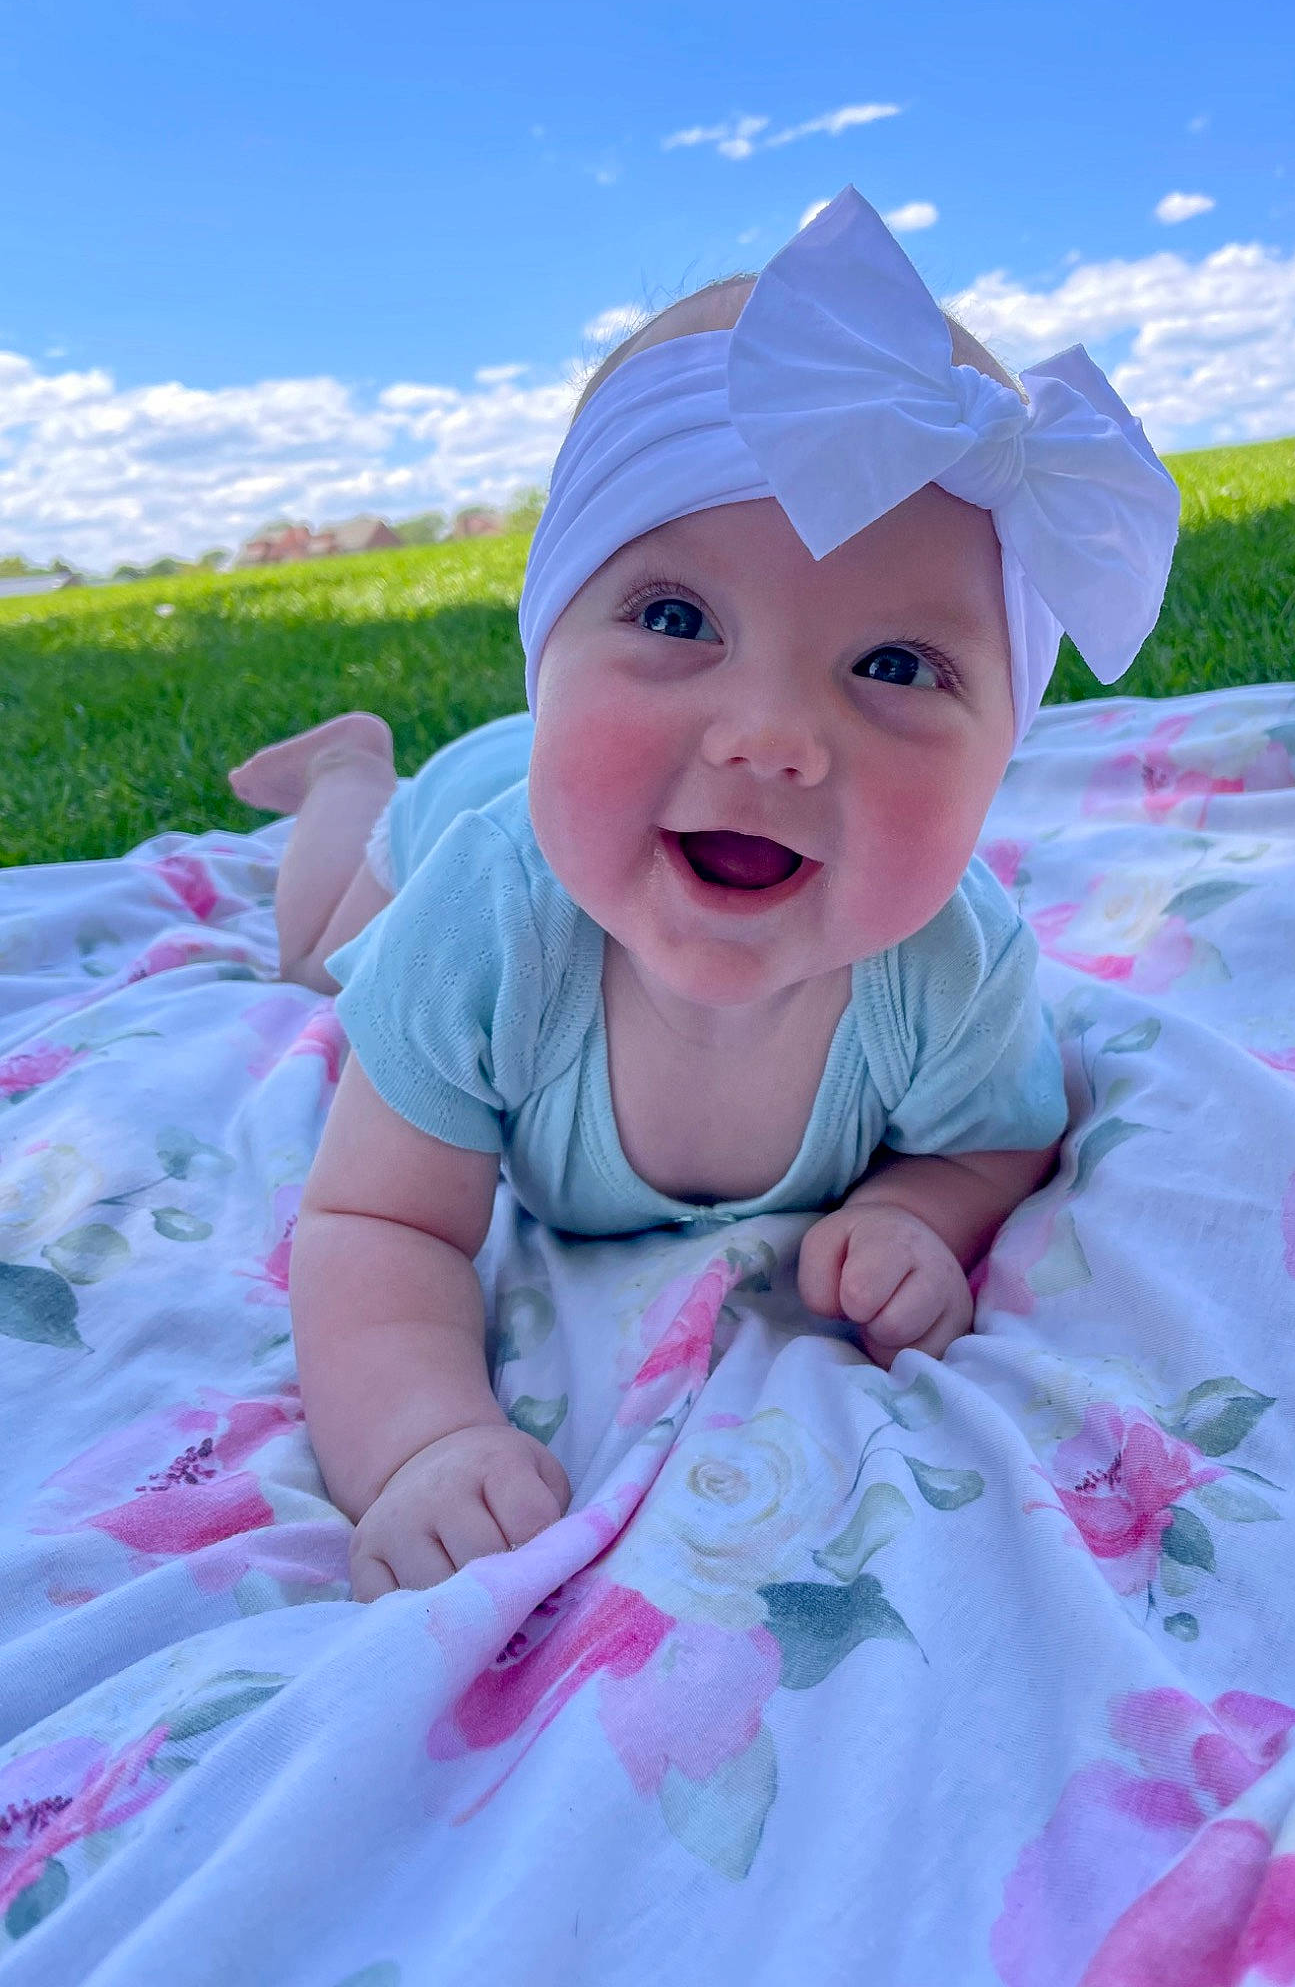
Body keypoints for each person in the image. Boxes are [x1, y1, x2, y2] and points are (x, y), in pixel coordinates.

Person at [230, 188, 1181, 1600]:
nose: (773, 736)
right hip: (460, 809)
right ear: (548, 656)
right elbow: (380, 1224)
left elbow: (996, 1143)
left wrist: (923, 1213)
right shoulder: (485, 923)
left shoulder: (949, 965)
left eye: (899, 666)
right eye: (676, 621)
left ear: (1003, 757)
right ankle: (352, 777)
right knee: (319, 953)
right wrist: (425, 1440)